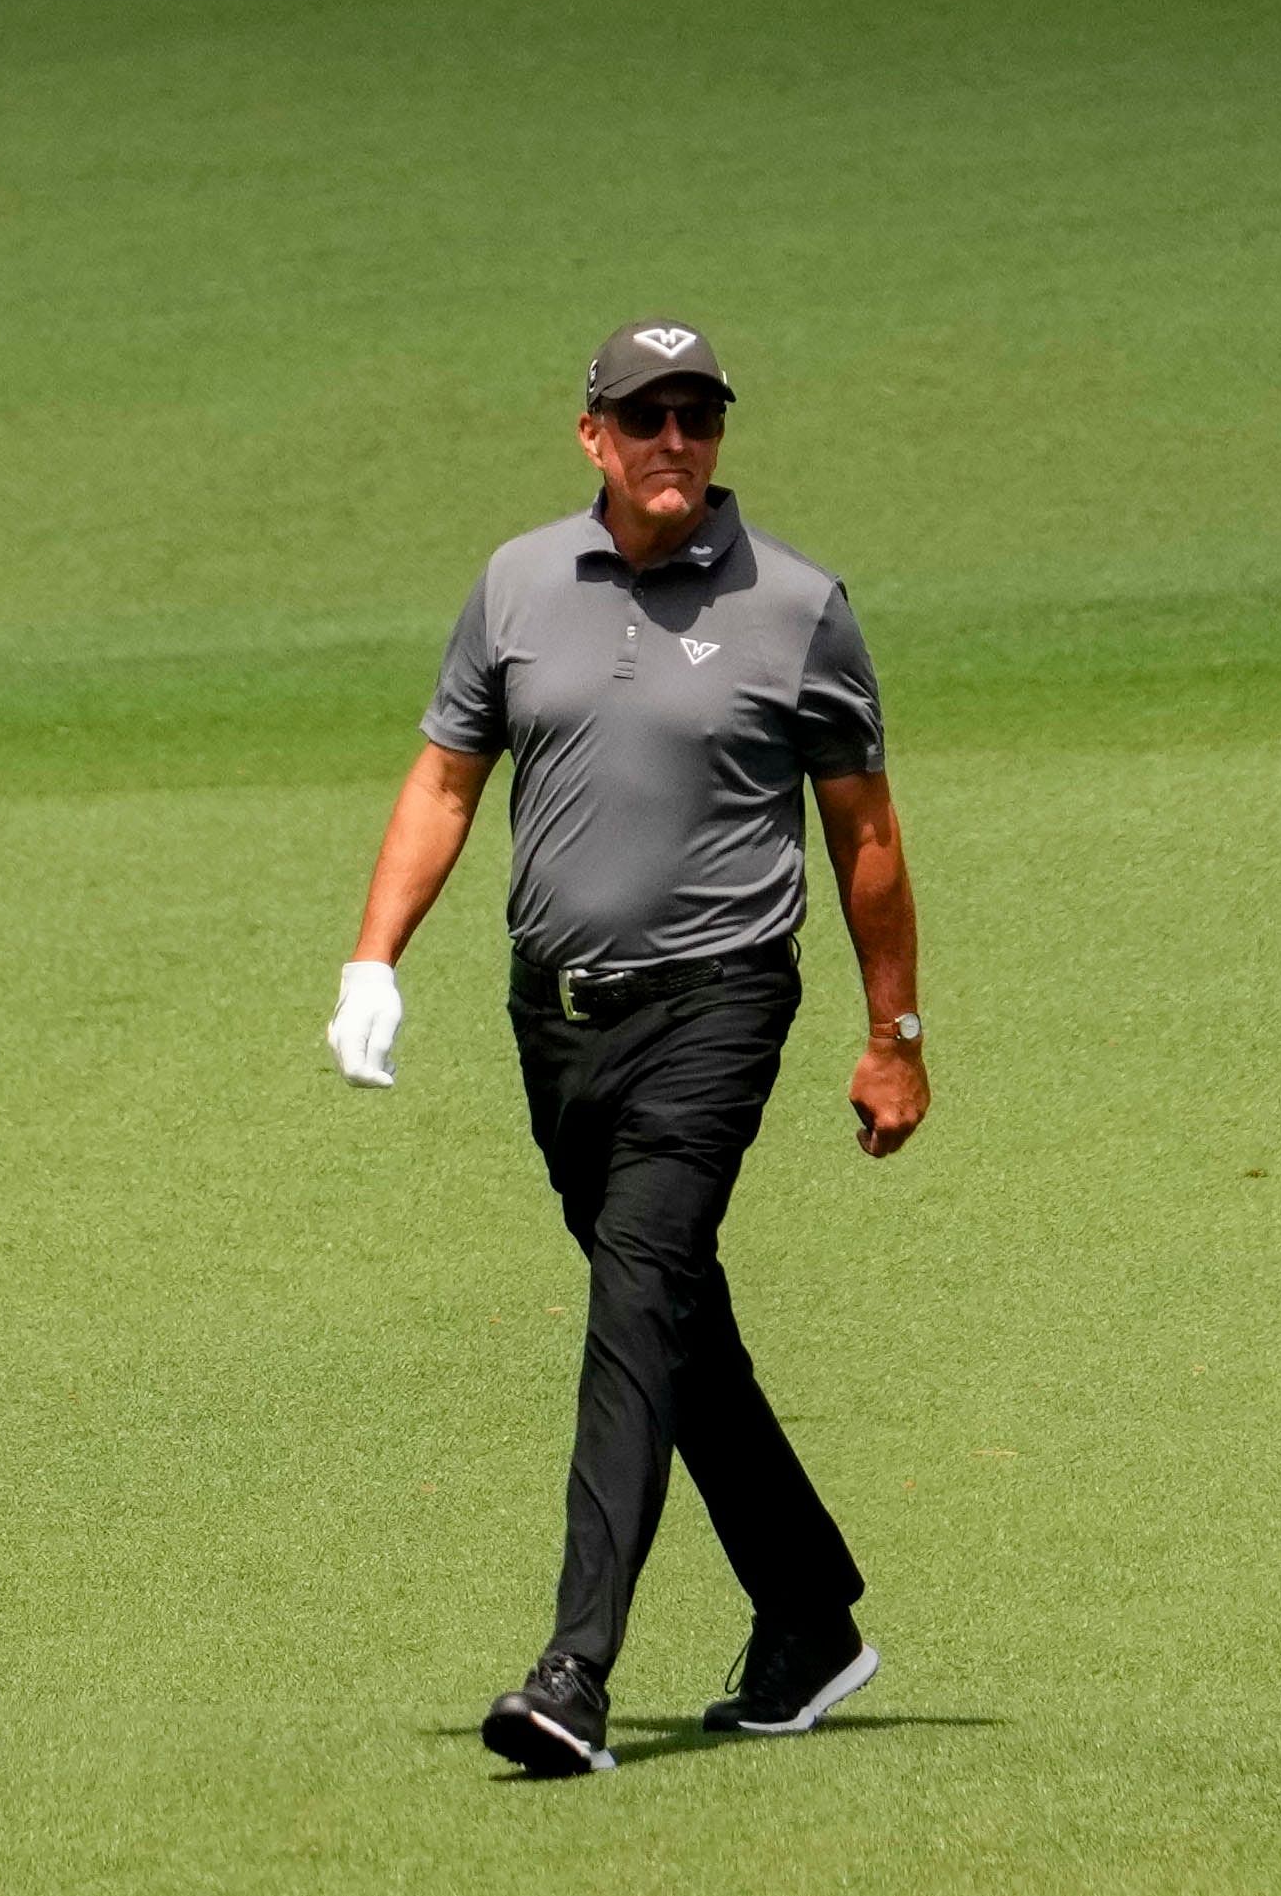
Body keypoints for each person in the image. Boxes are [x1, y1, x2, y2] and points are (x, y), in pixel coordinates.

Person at [333, 322, 926, 1779]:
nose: (677, 439)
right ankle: (806, 1613)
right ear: (591, 433)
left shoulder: (796, 605)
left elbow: (864, 837)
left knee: (633, 1301)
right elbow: (445, 778)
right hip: (556, 1022)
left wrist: (893, 1034)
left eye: (700, 415)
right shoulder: (519, 583)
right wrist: (372, 957)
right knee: (671, 1317)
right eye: (647, 414)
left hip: (718, 1009)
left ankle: (572, 1672)